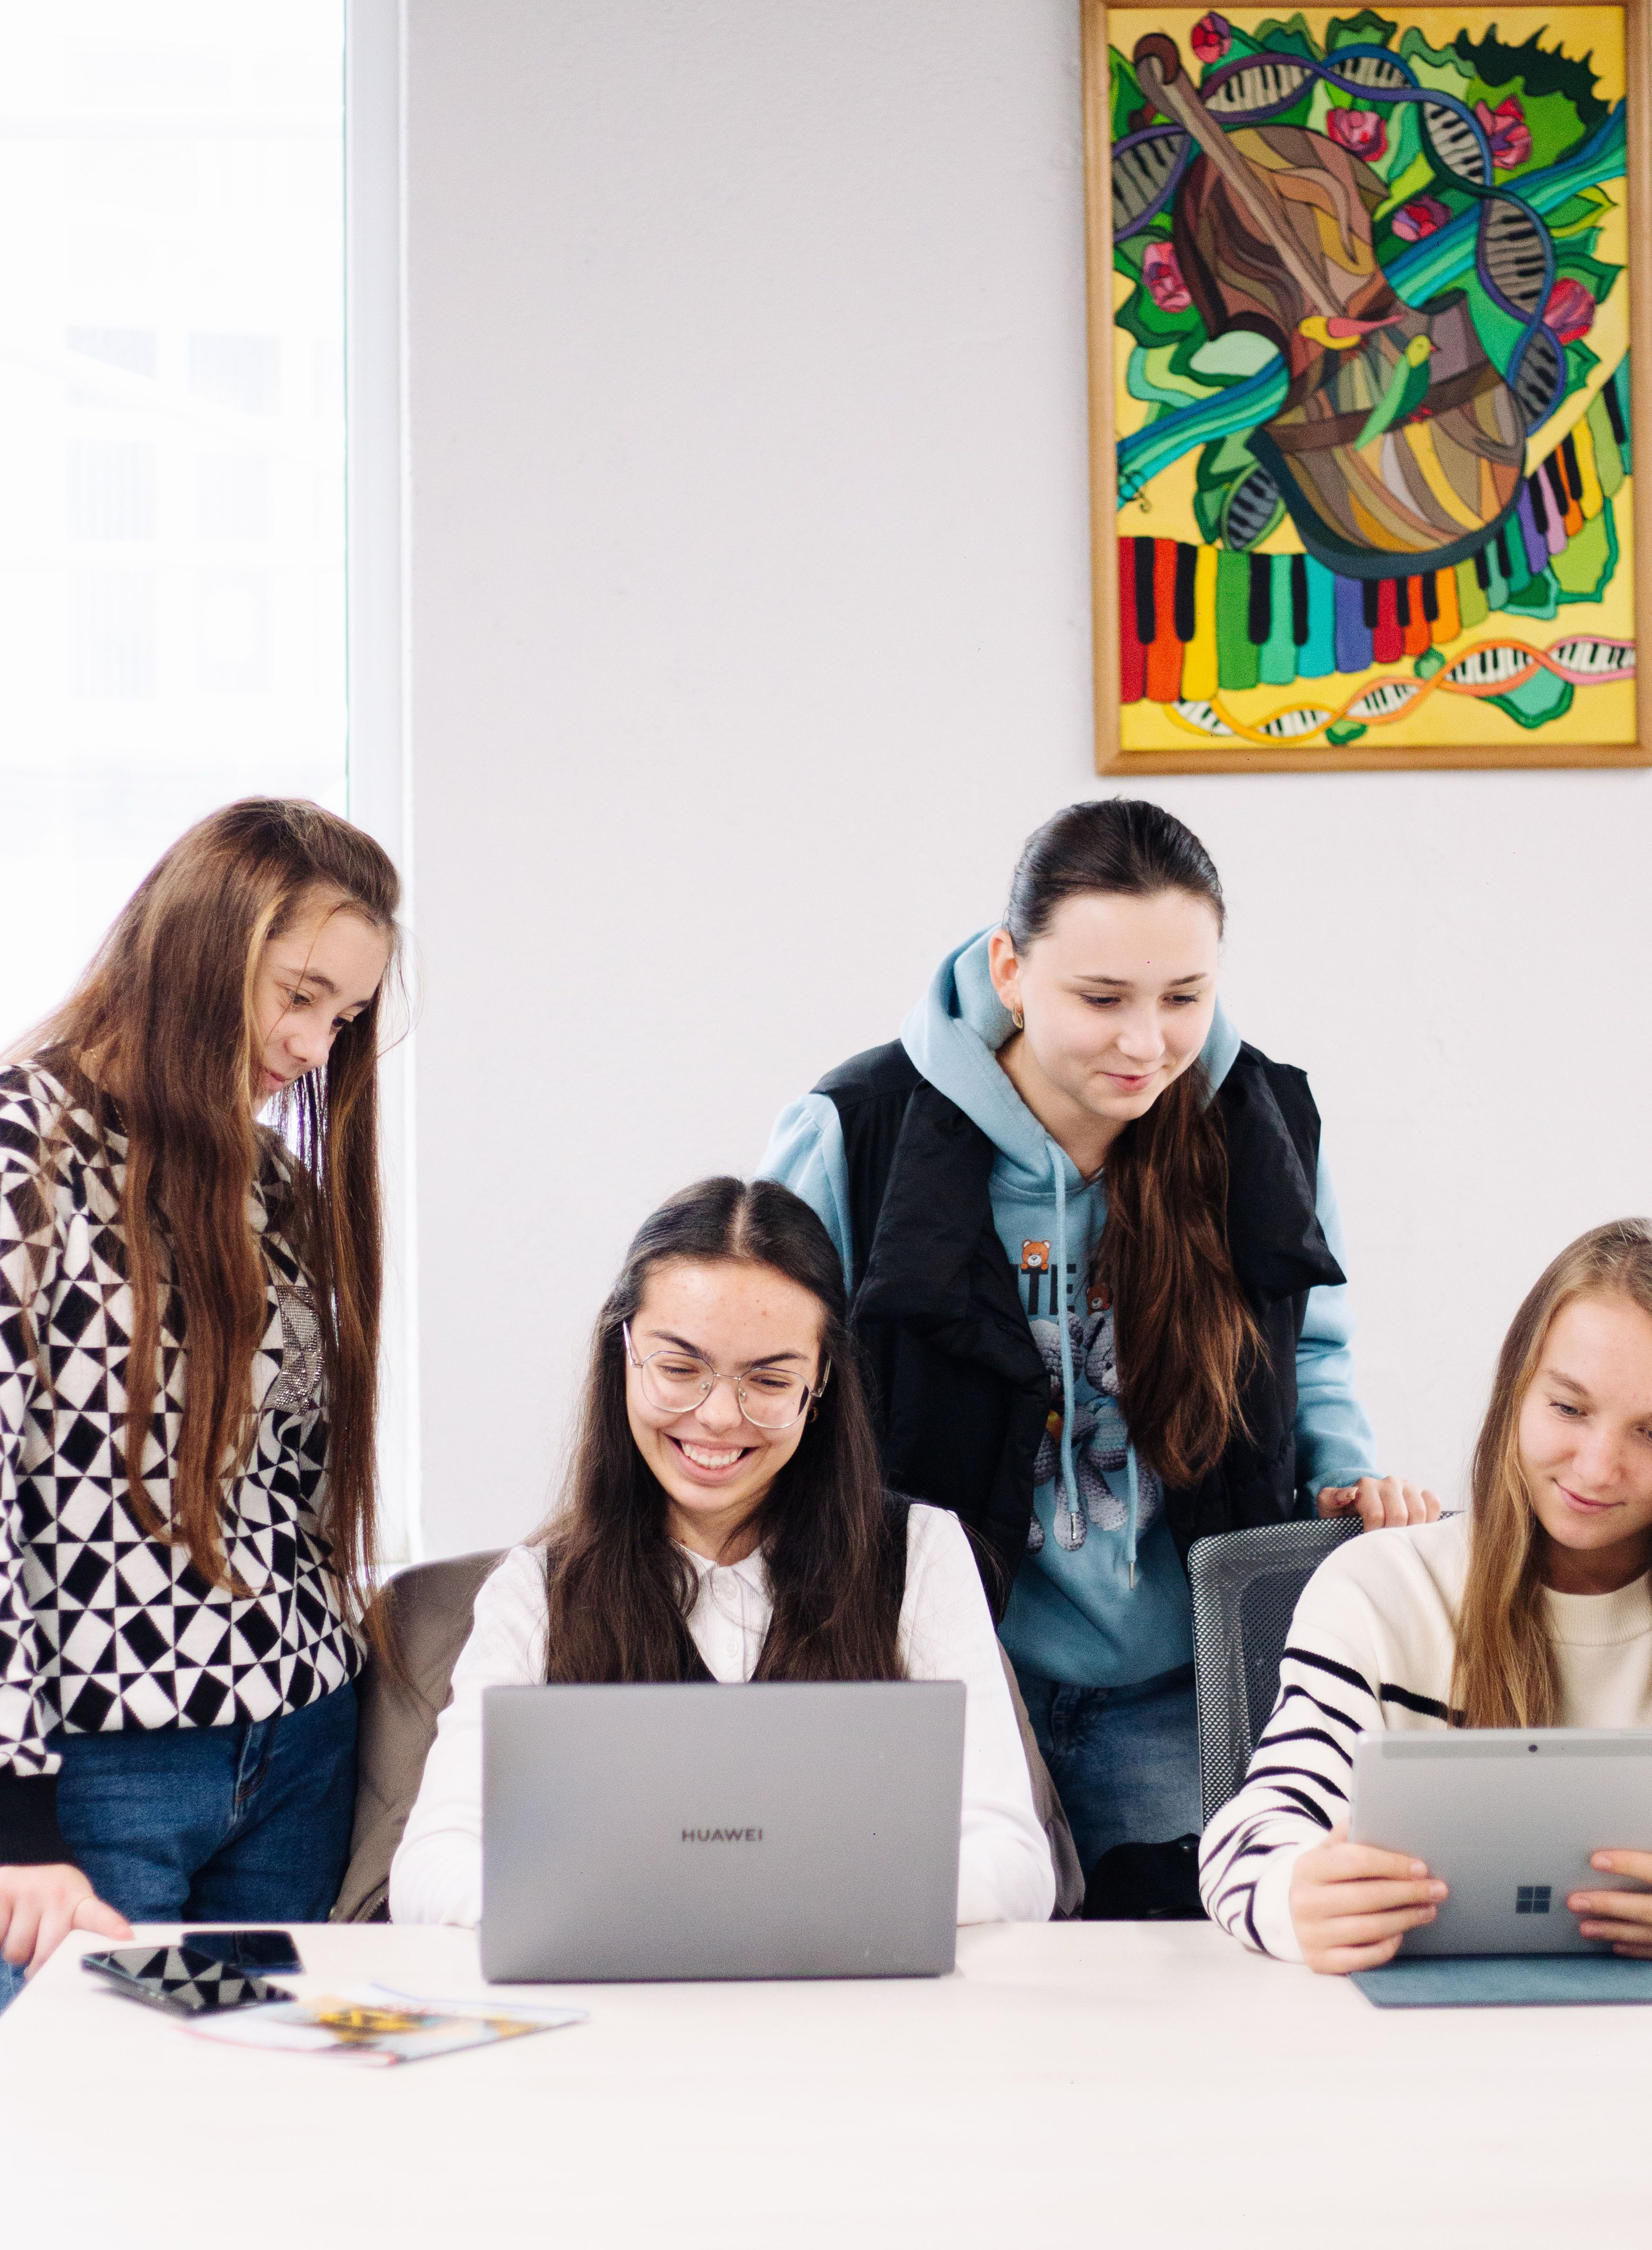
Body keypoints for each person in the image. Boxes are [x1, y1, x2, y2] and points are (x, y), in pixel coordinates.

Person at [760, 798, 1435, 1879]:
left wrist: (1347, 1478)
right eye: (1102, 997)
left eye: (1184, 997)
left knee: (1180, 2006)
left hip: (1178, 1690)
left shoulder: (1262, 1124)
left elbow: (1310, 1352)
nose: (1146, 1041)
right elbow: (771, 1381)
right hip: (932, 1675)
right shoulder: (858, 1128)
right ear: (1011, 969)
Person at [391, 1177, 1056, 1928]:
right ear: (624, 1355)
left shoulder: (920, 1554)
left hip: (851, 2019)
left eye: (769, 1380)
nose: (716, 1417)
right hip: (620, 2024)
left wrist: (744, 1910)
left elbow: (1015, 1863)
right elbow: (430, 1867)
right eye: (679, 1369)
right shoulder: (539, 1589)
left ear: (822, 1383)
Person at [0, 799, 399, 2002]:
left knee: (254, 2144)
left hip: (301, 1749)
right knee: (96, 2149)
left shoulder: (268, 1178)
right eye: (299, 993)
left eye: (346, 1016)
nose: (316, 1048)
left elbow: (291, 1482)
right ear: (198, 947)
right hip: (102, 1775)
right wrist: (17, 1822)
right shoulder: (22, 1155)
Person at [1201, 1218, 1652, 1972]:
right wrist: (1292, 1897)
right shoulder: (1382, 1589)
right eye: (1568, 1409)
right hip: (1413, 2054)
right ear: (1514, 1393)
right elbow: (1254, 1832)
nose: (1598, 1466)